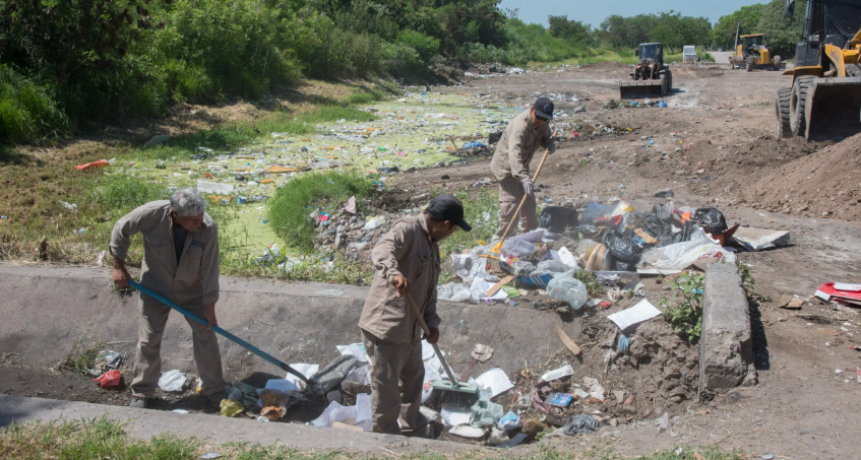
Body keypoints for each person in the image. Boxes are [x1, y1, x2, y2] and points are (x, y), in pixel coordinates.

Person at [358, 194, 471, 436]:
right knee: (386, 389)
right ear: (446, 225)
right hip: (387, 328)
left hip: (411, 329)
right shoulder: (407, 229)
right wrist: (394, 274)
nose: (450, 235)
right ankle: (385, 437)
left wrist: (431, 323)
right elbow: (382, 250)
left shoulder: (432, 244)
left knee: (413, 381)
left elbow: (430, 291)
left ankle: (414, 428)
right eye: (453, 231)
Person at [110, 188, 225, 409]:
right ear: (175, 215)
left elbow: (210, 270)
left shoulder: (207, 227)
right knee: (149, 339)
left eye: (200, 218)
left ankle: (214, 388)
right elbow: (120, 229)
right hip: (155, 285)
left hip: (192, 289)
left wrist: (210, 308)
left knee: (206, 333)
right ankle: (143, 392)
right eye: (192, 220)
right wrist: (119, 267)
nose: (197, 223)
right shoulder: (152, 214)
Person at [490, 96, 556, 239]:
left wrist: (549, 143)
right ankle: (503, 240)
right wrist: (524, 178)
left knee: (528, 201)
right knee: (511, 204)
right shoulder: (519, 127)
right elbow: (514, 155)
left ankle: (530, 236)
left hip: (521, 167)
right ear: (532, 109)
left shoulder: (542, 123)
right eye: (539, 117)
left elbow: (545, 137)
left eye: (545, 119)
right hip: (506, 168)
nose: (541, 122)